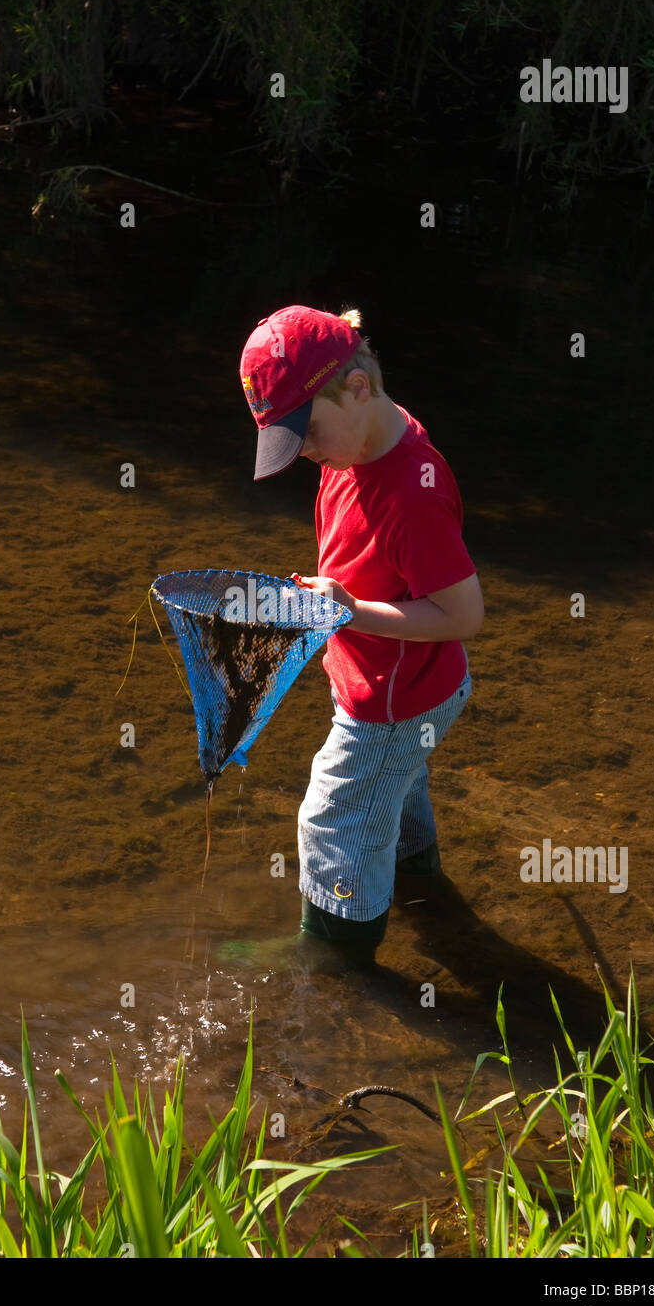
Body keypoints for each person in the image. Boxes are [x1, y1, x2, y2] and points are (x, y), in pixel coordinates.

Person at [239, 304, 483, 959]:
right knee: (395, 795)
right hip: (396, 686)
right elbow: (359, 547)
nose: (307, 454)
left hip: (394, 700)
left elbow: (465, 615)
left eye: (309, 435)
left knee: (332, 820)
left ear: (356, 388)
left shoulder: (412, 494)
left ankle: (333, 957)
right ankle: (422, 891)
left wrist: (350, 612)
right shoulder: (359, 436)